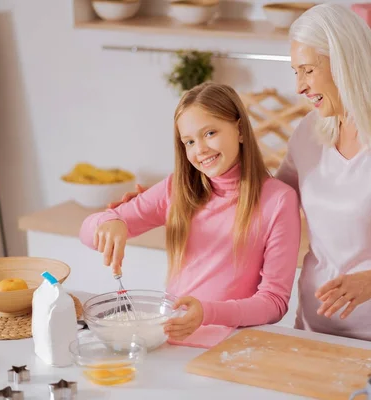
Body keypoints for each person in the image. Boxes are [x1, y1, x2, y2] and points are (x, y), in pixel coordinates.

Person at [110, 5, 371, 355]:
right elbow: (263, 198)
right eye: (296, 72)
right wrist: (176, 198)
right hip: (318, 335)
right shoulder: (310, 132)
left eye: (308, 70)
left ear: (344, 62)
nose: (300, 86)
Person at [79, 82, 301, 342]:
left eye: (210, 133)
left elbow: (274, 303)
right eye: (189, 141)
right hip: (171, 341)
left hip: (231, 346)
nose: (200, 149)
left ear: (240, 130)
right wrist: (110, 222)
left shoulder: (278, 200)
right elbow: (86, 233)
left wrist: (207, 312)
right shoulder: (177, 190)